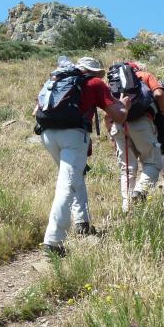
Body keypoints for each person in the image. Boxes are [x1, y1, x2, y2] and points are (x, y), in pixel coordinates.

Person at [36, 56, 130, 257]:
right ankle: (53, 242)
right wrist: (124, 104)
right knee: (66, 186)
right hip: (73, 136)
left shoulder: (57, 80)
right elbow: (119, 115)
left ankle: (82, 223)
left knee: (74, 177)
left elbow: (36, 109)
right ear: (94, 72)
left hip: (47, 134)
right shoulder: (95, 83)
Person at [107, 61, 164, 210]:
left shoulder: (112, 84)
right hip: (141, 123)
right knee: (153, 163)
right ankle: (140, 191)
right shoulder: (144, 76)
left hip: (118, 125)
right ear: (136, 69)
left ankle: (127, 207)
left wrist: (111, 135)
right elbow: (158, 93)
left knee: (127, 169)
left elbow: (107, 114)